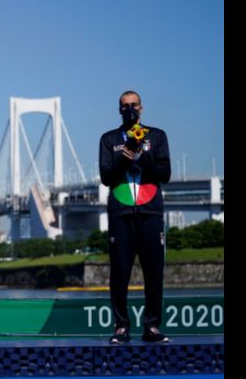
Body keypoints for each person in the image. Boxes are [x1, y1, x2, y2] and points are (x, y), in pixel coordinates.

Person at [99, 91, 171, 343]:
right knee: (119, 273)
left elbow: (165, 174)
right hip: (121, 213)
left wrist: (143, 158)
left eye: (133, 105)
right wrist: (124, 158)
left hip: (150, 212)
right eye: (124, 106)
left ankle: (152, 326)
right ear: (119, 109)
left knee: (154, 272)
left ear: (141, 108)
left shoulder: (157, 136)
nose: (129, 110)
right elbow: (106, 176)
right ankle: (121, 326)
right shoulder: (109, 139)